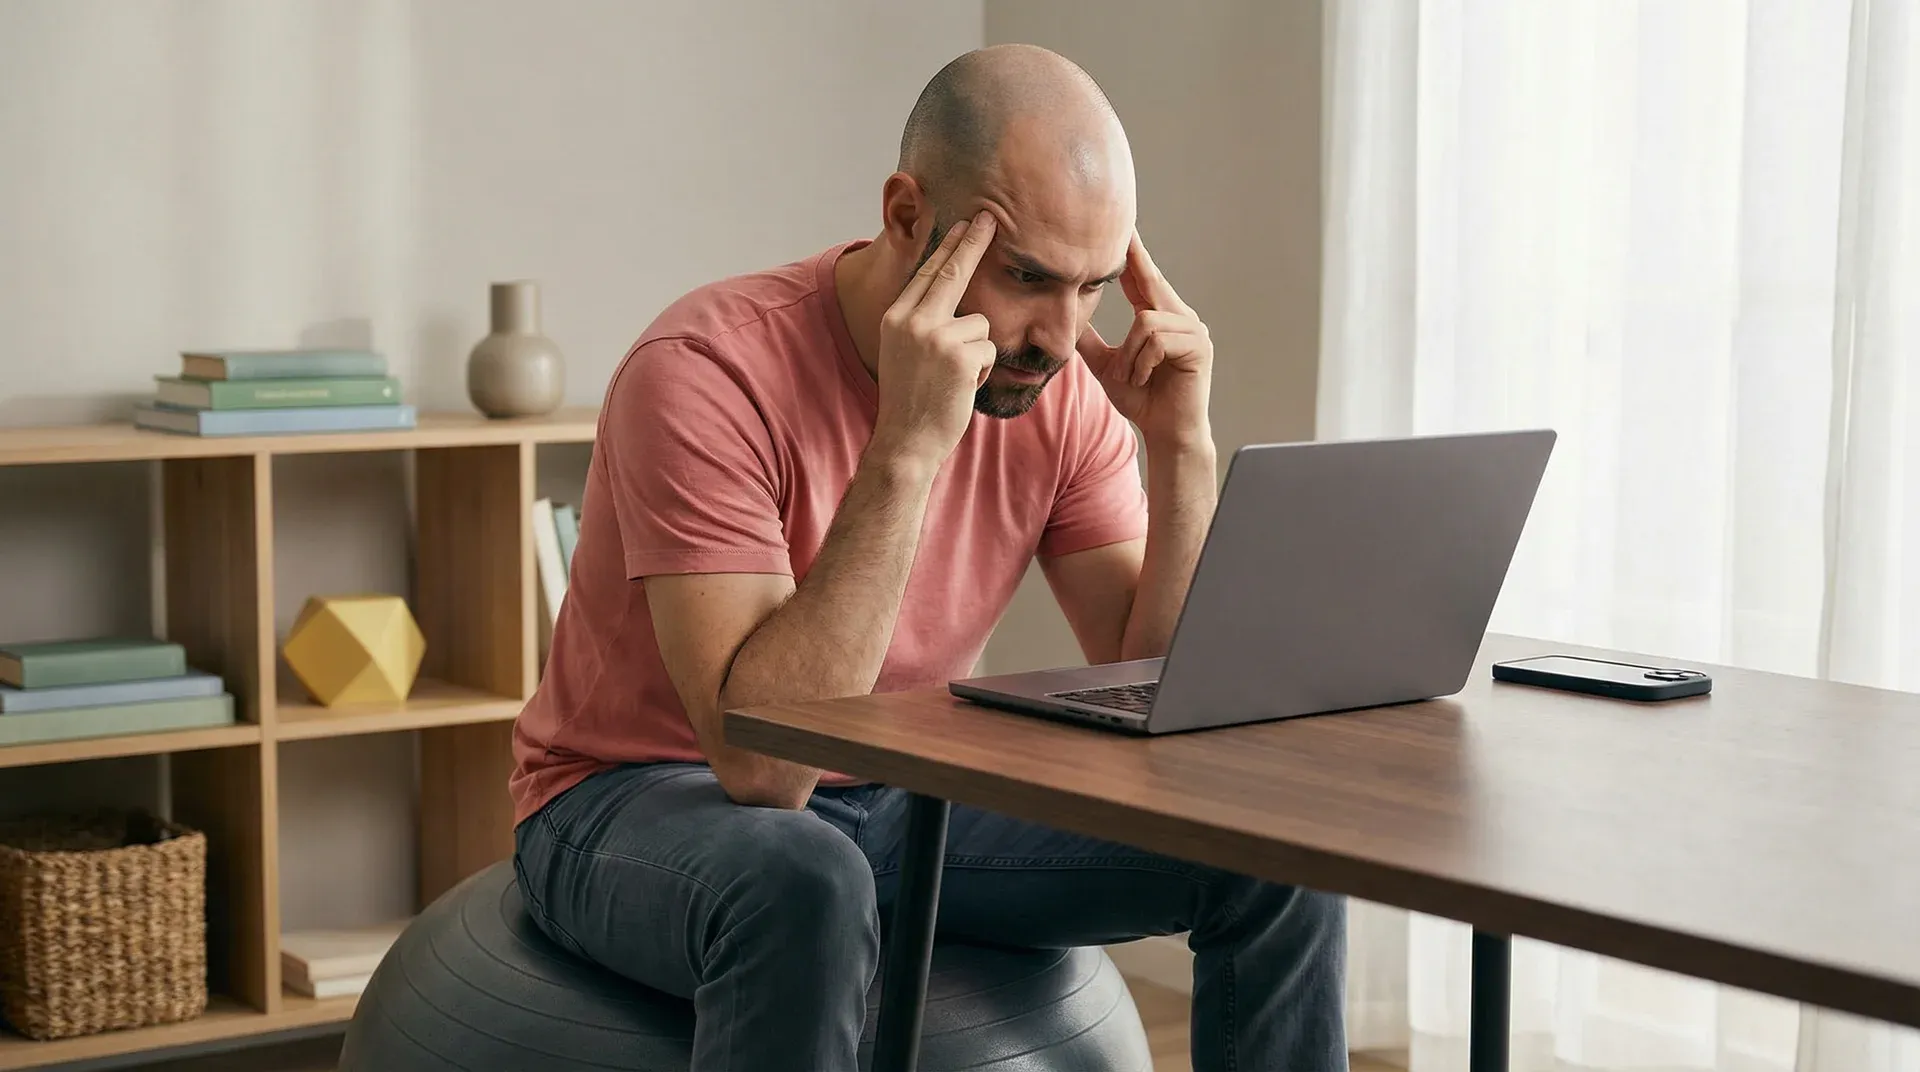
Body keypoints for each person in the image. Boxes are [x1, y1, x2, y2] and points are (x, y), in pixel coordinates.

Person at [508, 43, 1346, 1072]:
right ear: (906, 216)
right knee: (804, 876)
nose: (1058, 333)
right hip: (632, 796)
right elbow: (765, 765)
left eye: (1092, 286)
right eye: (1027, 275)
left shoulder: (1061, 386)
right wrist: (906, 444)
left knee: (1277, 852)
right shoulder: (703, 372)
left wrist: (1181, 450)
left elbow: (1155, 698)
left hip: (904, 795)